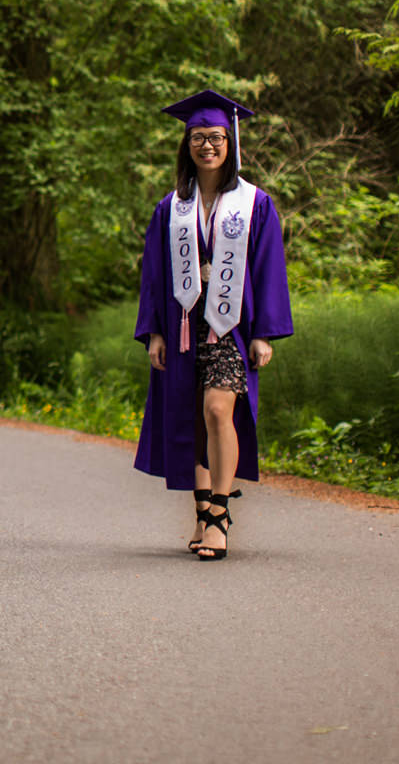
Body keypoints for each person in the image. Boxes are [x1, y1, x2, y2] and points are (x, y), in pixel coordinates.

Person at [134, 89, 293, 561]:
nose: (207, 145)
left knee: (219, 411)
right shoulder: (171, 208)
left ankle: (220, 513)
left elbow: (268, 267)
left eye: (216, 137)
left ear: (231, 142)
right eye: (198, 137)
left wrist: (264, 332)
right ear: (187, 145)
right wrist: (155, 331)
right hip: (183, 324)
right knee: (191, 416)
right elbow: (154, 273)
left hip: (230, 326)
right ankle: (201, 512)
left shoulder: (254, 204)